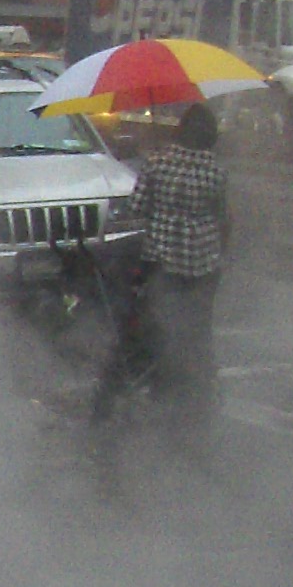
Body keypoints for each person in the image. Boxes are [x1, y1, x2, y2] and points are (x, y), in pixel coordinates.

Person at [126, 101, 231, 429]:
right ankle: (199, 384)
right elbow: (222, 216)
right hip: (203, 263)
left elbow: (136, 207)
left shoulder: (157, 163)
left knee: (161, 323)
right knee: (198, 325)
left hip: (161, 261)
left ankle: (164, 382)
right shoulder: (216, 171)